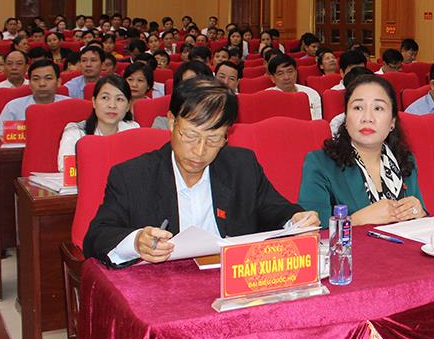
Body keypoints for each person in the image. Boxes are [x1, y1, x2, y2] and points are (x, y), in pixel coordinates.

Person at [83, 77, 320, 265]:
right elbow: (96, 237)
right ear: (172, 122)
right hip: (163, 292)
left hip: (231, 286)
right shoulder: (132, 176)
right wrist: (136, 242)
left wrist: (297, 220)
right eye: (191, 136)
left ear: (227, 135)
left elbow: (276, 211)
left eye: (214, 139)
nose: (199, 151)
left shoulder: (242, 166)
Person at [298, 75, 425, 227]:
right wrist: (354, 221)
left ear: (392, 122)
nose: (367, 118)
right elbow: (311, 228)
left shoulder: (405, 160)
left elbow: (421, 223)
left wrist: (420, 213)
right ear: (346, 118)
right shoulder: (320, 163)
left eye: (378, 108)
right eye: (358, 108)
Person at [57, 75, 140, 171]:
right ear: (94, 102)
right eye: (105, 98)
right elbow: (67, 171)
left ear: (128, 106)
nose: (112, 105)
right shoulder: (75, 132)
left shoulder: (133, 129)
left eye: (119, 99)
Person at [0, 59, 69, 136]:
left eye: (48, 78)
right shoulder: (13, 107)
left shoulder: (69, 105)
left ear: (58, 82)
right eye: (36, 79)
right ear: (29, 84)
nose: (42, 84)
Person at [266, 53, 321, 119]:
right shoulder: (266, 98)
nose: (286, 77)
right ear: (272, 78)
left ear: (296, 73)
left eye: (290, 71)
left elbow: (318, 121)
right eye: (280, 73)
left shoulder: (311, 93)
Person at [0, 50, 28, 120]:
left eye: (19, 63)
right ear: (4, 67)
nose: (14, 67)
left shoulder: (35, 88)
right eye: (9, 64)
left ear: (27, 67)